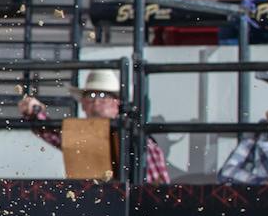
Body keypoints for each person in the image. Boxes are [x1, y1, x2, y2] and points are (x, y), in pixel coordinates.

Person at [18, 69, 169, 184]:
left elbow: (155, 187)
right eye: (90, 96)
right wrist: (35, 114)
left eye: (103, 96)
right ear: (83, 104)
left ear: (117, 103)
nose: (96, 101)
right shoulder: (82, 135)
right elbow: (56, 135)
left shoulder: (137, 138)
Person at [215, 58, 268, 184]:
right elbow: (226, 173)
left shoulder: (267, 129)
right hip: (266, 202)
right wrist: (266, 185)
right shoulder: (261, 129)